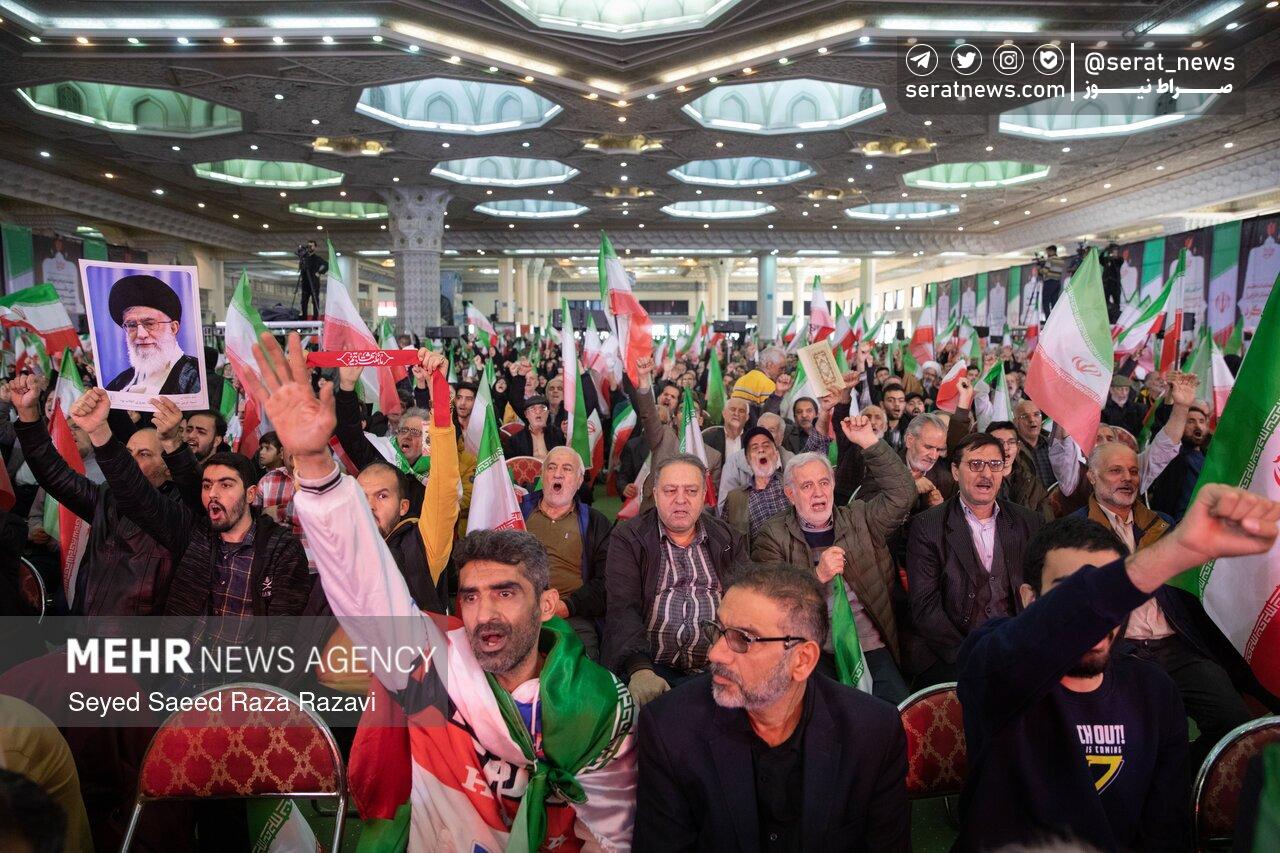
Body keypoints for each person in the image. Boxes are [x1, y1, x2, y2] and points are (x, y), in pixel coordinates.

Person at [246, 333, 637, 851]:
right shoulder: (435, 666)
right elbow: (364, 588)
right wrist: (315, 465)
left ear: (546, 605)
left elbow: (611, 839)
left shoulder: (598, 707)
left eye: (505, 593)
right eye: (470, 596)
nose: (484, 613)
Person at [957, 486, 1280, 851]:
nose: (1097, 620)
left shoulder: (1153, 690)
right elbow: (1016, 651)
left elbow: (1165, 832)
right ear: (1031, 599)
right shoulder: (991, 664)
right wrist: (1172, 554)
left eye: (1112, 600)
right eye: (1069, 594)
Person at [634, 564, 909, 852]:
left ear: (802, 660)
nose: (715, 653)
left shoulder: (872, 732)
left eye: (743, 638)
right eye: (718, 630)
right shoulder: (670, 729)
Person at [70, 386, 311, 684]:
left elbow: (283, 637)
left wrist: (251, 693)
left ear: (251, 494)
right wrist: (99, 434)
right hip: (176, 685)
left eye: (226, 485)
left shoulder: (280, 550)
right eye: (207, 485)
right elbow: (137, 495)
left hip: (242, 691)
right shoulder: (194, 536)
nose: (213, 494)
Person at [1075, 441, 1250, 767]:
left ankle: (1188, 778)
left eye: (1133, 471)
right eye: (1115, 471)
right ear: (1092, 476)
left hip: (1177, 646)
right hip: (1121, 651)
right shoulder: (1074, 533)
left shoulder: (1162, 523)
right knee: (1145, 737)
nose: (1127, 478)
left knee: (1234, 721)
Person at [752, 418, 917, 703]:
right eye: (806, 486)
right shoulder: (772, 535)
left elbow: (903, 494)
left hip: (867, 643)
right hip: (811, 647)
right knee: (825, 715)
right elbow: (769, 599)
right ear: (790, 494)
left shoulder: (860, 518)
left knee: (896, 712)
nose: (818, 493)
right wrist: (817, 575)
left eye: (824, 482)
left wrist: (869, 442)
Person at [9, 375, 190, 618]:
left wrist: (99, 431)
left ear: (168, 467)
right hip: (84, 628)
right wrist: (28, 413)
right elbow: (55, 475)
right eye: (128, 452)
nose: (131, 460)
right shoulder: (107, 498)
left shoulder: (182, 514)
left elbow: (139, 496)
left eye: (144, 454)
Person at [605, 453, 747, 705]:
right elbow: (622, 608)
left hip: (716, 666)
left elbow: (747, 603)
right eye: (670, 490)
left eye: (691, 491)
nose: (680, 500)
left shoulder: (728, 539)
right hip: (652, 667)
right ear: (655, 494)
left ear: (704, 495)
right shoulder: (629, 538)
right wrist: (639, 669)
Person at [906, 432, 1043, 684]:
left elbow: (1041, 591)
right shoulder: (927, 526)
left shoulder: (1029, 522)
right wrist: (970, 654)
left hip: (1016, 646)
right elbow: (926, 607)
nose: (986, 474)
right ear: (955, 471)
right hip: (953, 652)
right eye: (976, 464)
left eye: (995, 464)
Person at [519, 445, 611, 659]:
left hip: (572, 614)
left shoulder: (595, 523)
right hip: (519, 611)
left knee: (583, 670)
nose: (558, 474)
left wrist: (566, 606)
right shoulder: (517, 512)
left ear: (579, 481)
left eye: (567, 469)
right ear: (543, 476)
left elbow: (607, 581)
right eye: (551, 468)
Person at [627, 357, 721, 511]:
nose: (688, 414)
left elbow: (710, 499)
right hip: (655, 510)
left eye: (694, 411)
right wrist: (644, 380)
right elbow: (649, 415)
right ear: (675, 418)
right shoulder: (662, 435)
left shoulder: (713, 456)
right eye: (683, 410)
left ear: (700, 420)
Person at [102, 274, 201, 397]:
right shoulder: (120, 382)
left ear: (173, 328)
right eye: (132, 325)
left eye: (149, 324)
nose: (141, 334)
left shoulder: (198, 377)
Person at [722, 426, 789, 538]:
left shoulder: (793, 484)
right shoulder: (734, 499)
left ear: (776, 454)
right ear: (747, 461)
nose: (761, 450)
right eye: (754, 447)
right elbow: (726, 538)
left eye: (766, 446)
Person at [717, 411, 792, 511]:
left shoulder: (792, 461)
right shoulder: (734, 462)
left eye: (771, 430)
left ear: (781, 438)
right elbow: (725, 506)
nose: (764, 434)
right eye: (761, 429)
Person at [1149, 402, 1211, 521]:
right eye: (1191, 421)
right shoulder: (1173, 455)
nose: (1198, 426)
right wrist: (1171, 401)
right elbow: (1161, 429)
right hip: (1177, 523)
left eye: (1201, 421)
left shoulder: (1209, 459)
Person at [1014, 400, 1055, 488]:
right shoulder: (1012, 449)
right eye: (1025, 416)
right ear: (1015, 422)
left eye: (1036, 414)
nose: (1032, 420)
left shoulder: (1052, 445)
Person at [297, 239, 328, 320]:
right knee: (304, 302)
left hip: (314, 283)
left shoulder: (317, 258)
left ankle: (315, 318)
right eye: (308, 246)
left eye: (311, 246)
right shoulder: (304, 258)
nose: (310, 248)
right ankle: (304, 317)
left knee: (315, 301)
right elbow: (301, 268)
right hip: (305, 283)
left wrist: (319, 272)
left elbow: (326, 265)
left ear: (315, 247)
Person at [880, 382, 908, 450]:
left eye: (901, 400)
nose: (897, 404)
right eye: (891, 400)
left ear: (905, 404)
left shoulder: (911, 428)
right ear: (882, 404)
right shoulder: (875, 427)